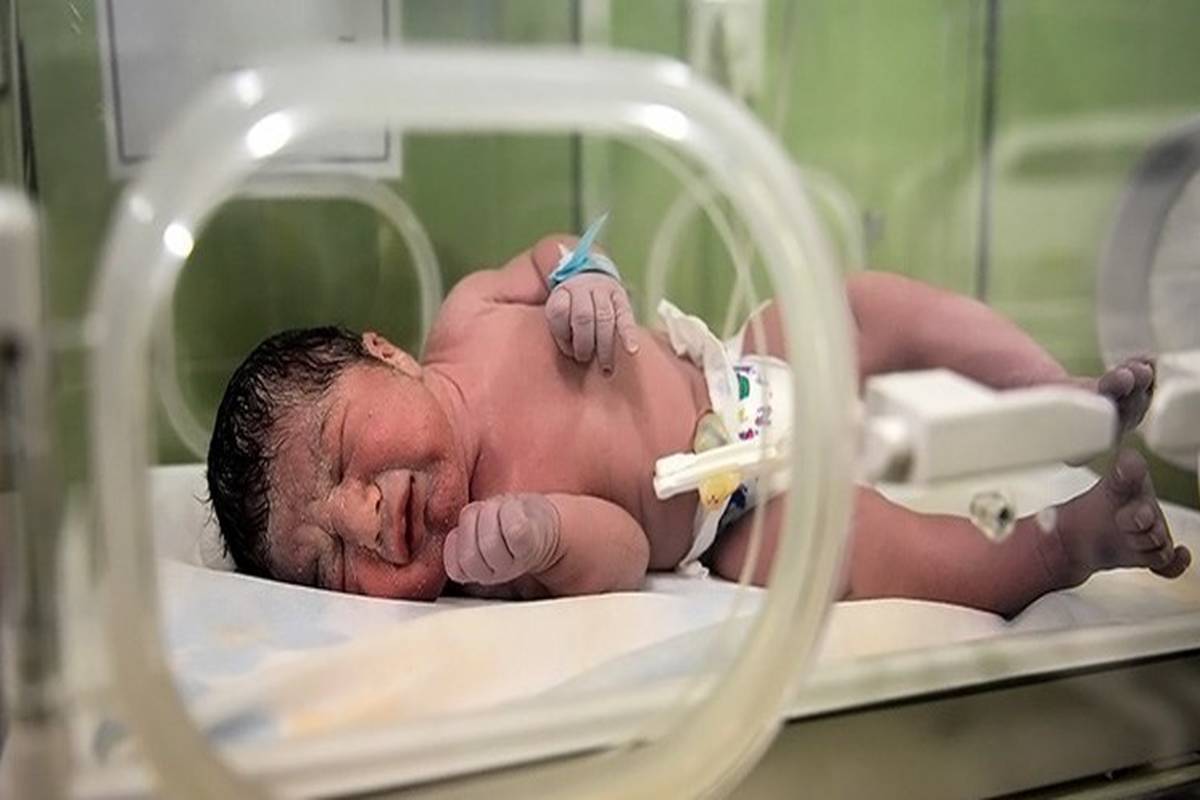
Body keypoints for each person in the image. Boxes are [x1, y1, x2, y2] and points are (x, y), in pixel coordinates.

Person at [206, 231, 1190, 616]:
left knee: (862, 305)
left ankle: (1055, 391)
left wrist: (583, 277)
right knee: (870, 559)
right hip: (737, 515)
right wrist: (544, 535)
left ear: (386, 353)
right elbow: (628, 551)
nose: (369, 517)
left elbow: (551, 251)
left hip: (742, 367)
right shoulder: (487, 550)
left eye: (341, 456)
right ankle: (1069, 541)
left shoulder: (469, 316)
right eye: (332, 563)